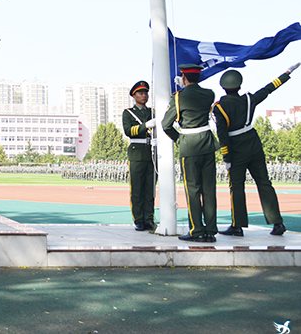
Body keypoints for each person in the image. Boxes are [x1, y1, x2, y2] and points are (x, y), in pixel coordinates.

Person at [213, 63, 298, 237]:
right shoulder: (248, 99)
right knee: (264, 183)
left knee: (236, 187)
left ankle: (237, 226)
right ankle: (277, 223)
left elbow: (222, 134)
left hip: (236, 148)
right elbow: (268, 89)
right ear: (239, 85)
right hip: (253, 143)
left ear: (223, 87)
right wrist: (286, 73)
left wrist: (226, 156)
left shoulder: (219, 107)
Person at [161, 64, 217, 243]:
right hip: (207, 144)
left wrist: (179, 138)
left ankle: (197, 230)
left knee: (193, 190)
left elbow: (165, 125)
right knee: (209, 189)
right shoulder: (209, 94)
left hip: (189, 147)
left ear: (184, 78)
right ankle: (210, 230)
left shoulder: (178, 97)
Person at [122, 80, 157, 231]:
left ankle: (149, 218)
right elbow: (128, 131)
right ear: (134, 96)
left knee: (150, 189)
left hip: (151, 152)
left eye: (146, 93)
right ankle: (138, 219)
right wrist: (146, 126)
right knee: (137, 189)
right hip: (137, 153)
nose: (144, 96)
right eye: (141, 93)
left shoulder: (152, 112)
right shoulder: (128, 113)